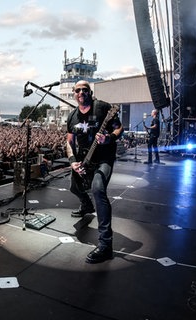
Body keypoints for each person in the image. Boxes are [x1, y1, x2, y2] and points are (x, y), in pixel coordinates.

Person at [66, 80, 124, 264]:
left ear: (90, 92)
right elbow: (69, 141)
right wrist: (73, 162)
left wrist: (109, 138)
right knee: (74, 187)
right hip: (84, 160)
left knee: (98, 189)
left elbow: (119, 128)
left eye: (85, 89)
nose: (81, 92)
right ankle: (86, 205)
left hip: (104, 159)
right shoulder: (72, 116)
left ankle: (105, 245)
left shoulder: (102, 108)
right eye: (78, 90)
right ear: (74, 94)